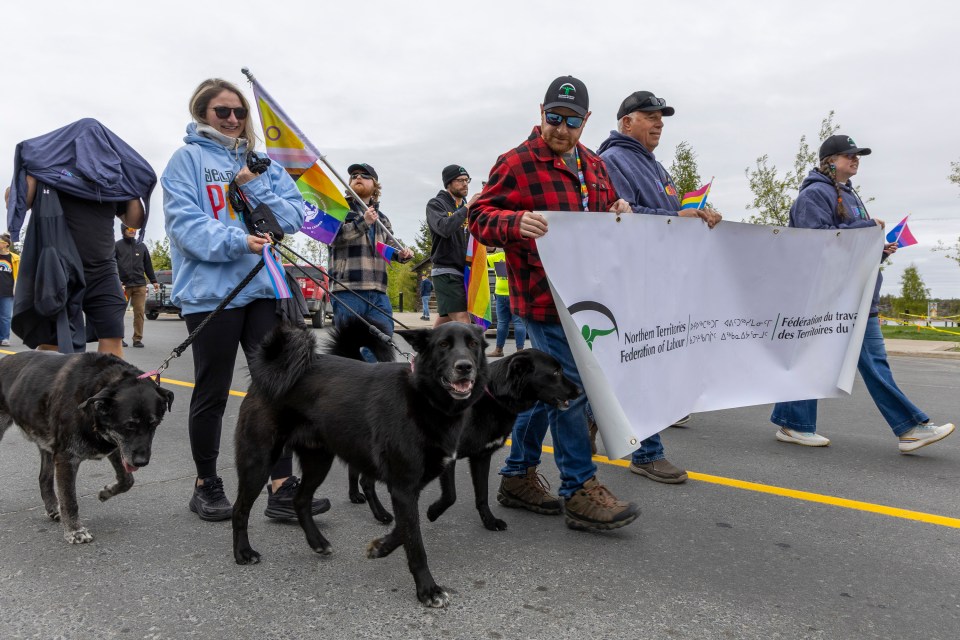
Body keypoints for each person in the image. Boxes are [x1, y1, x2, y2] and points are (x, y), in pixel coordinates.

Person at [469, 75, 639, 531]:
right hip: (542, 301)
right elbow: (478, 216)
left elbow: (603, 217)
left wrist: (620, 209)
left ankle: (515, 476)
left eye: (572, 121)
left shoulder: (594, 167)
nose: (561, 129)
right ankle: (579, 489)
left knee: (545, 397)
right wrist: (513, 221)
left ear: (586, 122)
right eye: (553, 118)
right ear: (541, 113)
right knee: (571, 391)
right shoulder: (517, 162)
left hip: (587, 302)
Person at [162, 77, 329, 522]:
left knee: (277, 387)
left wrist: (251, 185)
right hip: (210, 292)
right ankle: (206, 483)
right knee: (213, 389)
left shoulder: (264, 164)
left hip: (263, 286)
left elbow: (294, 215)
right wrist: (241, 240)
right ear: (202, 114)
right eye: (222, 111)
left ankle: (280, 487)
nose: (233, 119)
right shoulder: (186, 160)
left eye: (239, 112)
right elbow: (184, 225)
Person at [770, 134, 955, 453]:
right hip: (833, 298)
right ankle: (910, 427)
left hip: (854, 294)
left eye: (858, 155)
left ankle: (794, 423)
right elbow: (814, 242)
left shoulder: (848, 194)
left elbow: (848, 246)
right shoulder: (815, 194)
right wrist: (865, 229)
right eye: (848, 155)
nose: (855, 159)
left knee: (818, 359)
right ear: (829, 161)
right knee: (872, 362)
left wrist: (877, 250)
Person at [597, 90, 722, 484]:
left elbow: (663, 216)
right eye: (649, 115)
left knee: (617, 366)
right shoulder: (614, 160)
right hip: (632, 281)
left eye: (661, 117)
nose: (659, 122)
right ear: (626, 122)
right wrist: (678, 218)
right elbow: (621, 218)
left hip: (656, 280)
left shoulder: (653, 165)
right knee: (640, 366)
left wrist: (692, 215)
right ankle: (648, 452)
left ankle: (586, 421)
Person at [6, 119, 155, 357]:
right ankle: (50, 392)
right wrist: (30, 170)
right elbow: (19, 202)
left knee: (112, 331)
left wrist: (132, 185)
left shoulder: (110, 180)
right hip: (58, 266)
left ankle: (105, 392)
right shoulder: (52, 172)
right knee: (54, 338)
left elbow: (133, 221)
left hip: (103, 268)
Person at [328, 162, 412, 335]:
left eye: (365, 175)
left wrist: (403, 253)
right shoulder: (338, 208)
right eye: (354, 176)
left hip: (378, 292)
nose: (358, 177)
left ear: (375, 185)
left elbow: (389, 245)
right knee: (349, 349)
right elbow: (333, 237)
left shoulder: (382, 218)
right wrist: (363, 222)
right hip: (347, 289)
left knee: (383, 345)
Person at [426, 164, 479, 326]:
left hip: (465, 271)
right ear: (448, 183)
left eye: (467, 180)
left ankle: (426, 351)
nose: (465, 184)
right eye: (460, 180)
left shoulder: (466, 208)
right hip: (446, 270)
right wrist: (468, 207)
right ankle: (474, 352)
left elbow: (475, 236)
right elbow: (444, 228)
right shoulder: (436, 204)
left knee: (445, 319)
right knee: (463, 320)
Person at [115, 224, 159, 348]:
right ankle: (120, 338)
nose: (133, 231)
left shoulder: (141, 246)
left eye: (134, 229)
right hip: (123, 286)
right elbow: (111, 263)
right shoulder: (117, 246)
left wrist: (154, 280)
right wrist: (116, 280)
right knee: (119, 312)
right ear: (124, 230)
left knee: (139, 312)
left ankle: (137, 339)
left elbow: (148, 265)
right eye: (130, 228)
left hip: (140, 285)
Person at [486, 247, 525, 357]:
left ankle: (498, 350)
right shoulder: (519, 255)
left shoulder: (497, 257)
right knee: (519, 323)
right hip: (516, 294)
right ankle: (520, 351)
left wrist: (490, 249)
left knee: (502, 323)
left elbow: (480, 260)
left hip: (500, 294)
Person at [0, 232, 19, 347]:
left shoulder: (15, 258)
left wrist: (17, 289)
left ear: (6, 244)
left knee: (6, 316)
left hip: (7, 291)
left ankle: (4, 338)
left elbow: (18, 276)